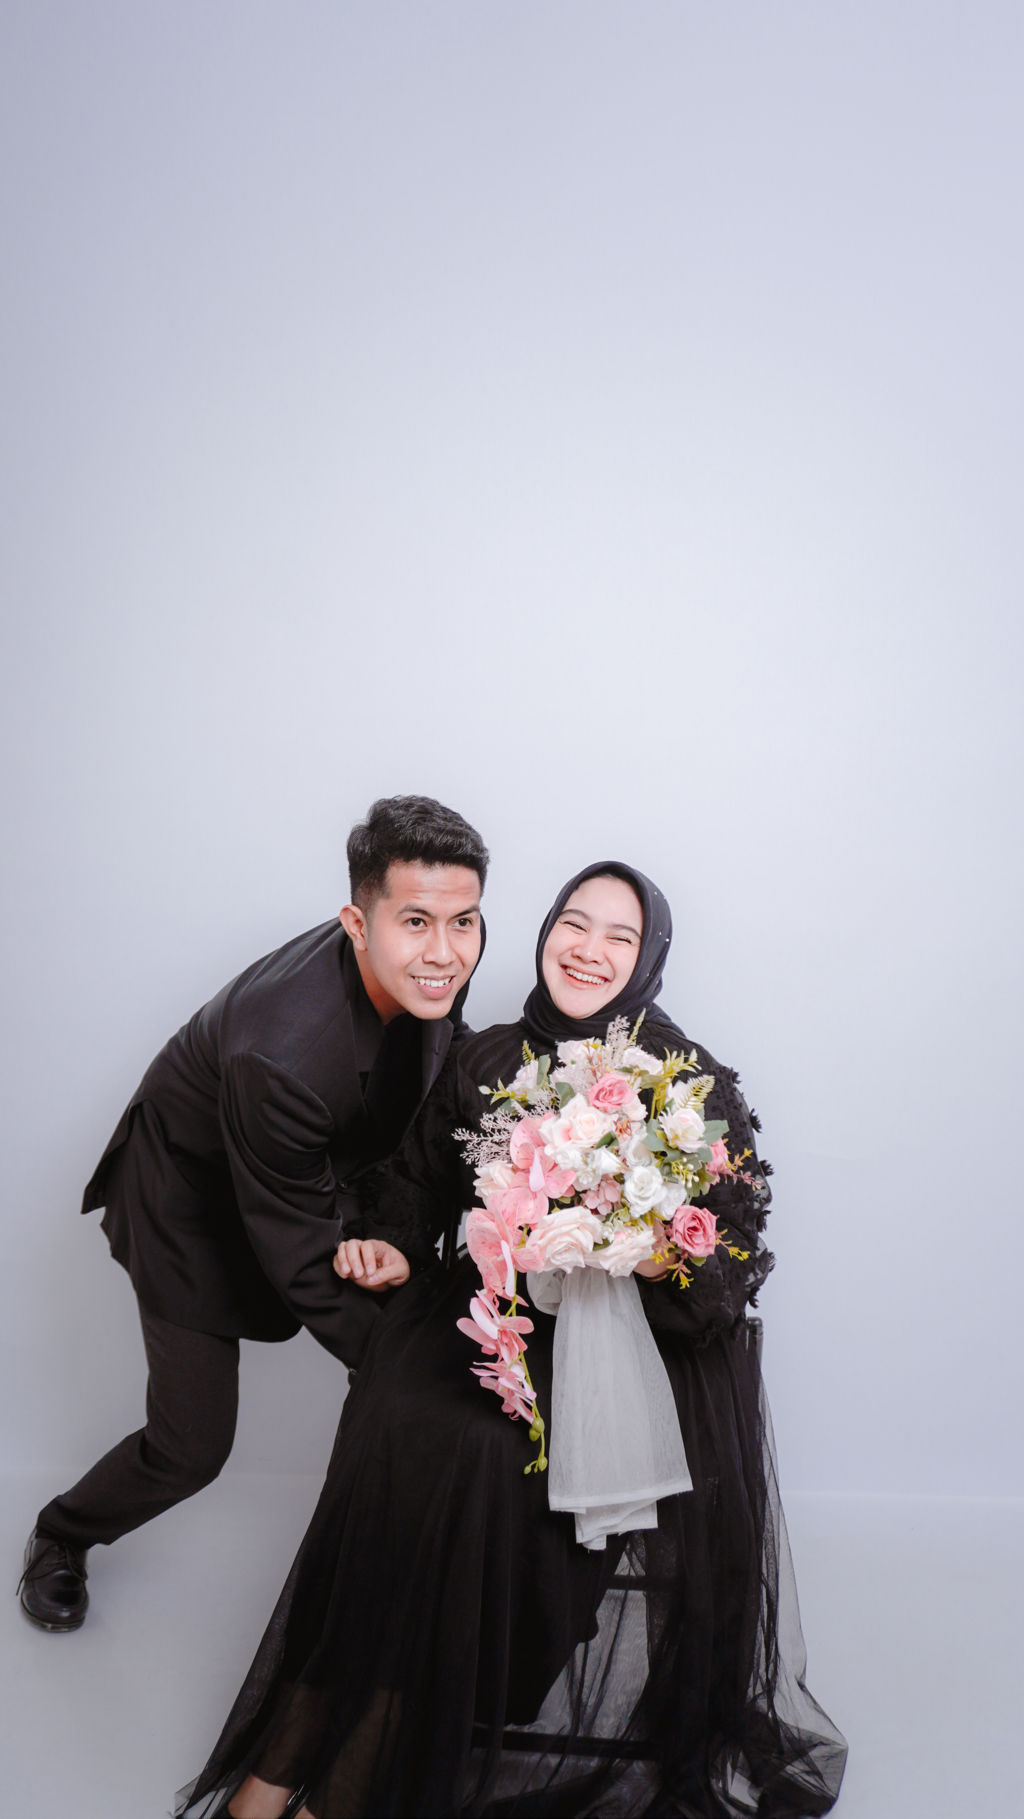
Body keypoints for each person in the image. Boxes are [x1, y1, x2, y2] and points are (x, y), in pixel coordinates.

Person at [178, 862, 847, 1819]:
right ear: (543, 931)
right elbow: (415, 1189)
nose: (589, 948)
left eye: (619, 935)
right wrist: (391, 1246)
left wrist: (635, 1247)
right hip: (495, 1307)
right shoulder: (487, 1055)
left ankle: (338, 1785)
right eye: (574, 922)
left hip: (626, 1342)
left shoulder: (683, 1081)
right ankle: (284, 1762)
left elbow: (729, 1259)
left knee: (490, 1459)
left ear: (647, 956)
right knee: (400, 1423)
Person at [19, 795, 487, 1635]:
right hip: (188, 1208)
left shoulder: (433, 959)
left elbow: (440, 1047)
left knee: (407, 1337)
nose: (446, 952)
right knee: (193, 1445)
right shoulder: (281, 1052)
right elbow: (303, 1263)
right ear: (357, 922)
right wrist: (418, 1365)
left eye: (465, 921)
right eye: (417, 921)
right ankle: (62, 1532)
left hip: (302, 1165)